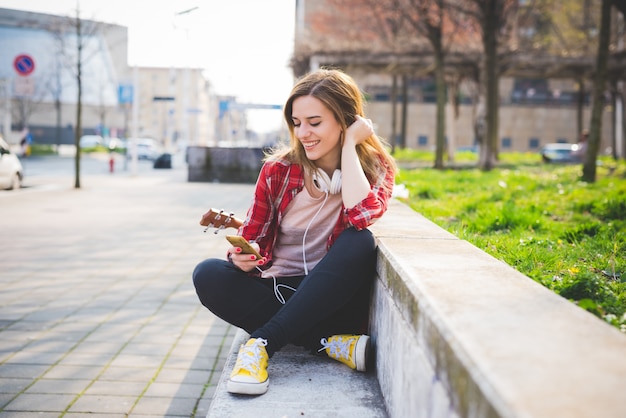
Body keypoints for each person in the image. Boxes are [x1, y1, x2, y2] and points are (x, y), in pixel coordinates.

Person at [192, 68, 397, 396]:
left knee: (359, 240)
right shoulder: (278, 170)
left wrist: (350, 149)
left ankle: (262, 344)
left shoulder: (374, 169)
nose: (304, 133)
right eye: (297, 123)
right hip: (277, 290)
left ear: (345, 121)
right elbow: (255, 239)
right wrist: (242, 258)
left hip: (332, 300)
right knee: (207, 273)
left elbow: (360, 216)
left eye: (315, 122)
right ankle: (325, 344)